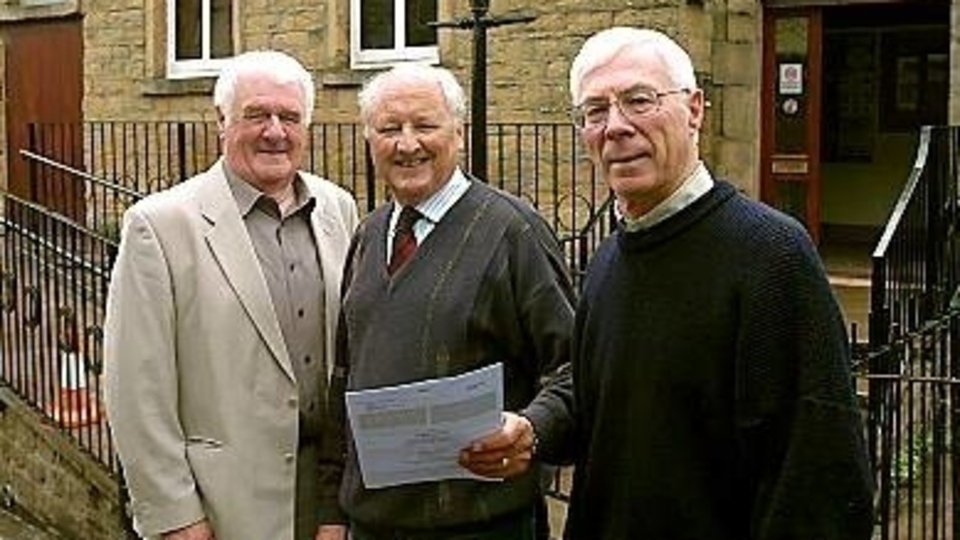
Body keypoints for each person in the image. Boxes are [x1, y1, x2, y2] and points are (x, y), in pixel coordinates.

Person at [461, 27, 875, 539]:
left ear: (695, 109)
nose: (615, 127)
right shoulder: (611, 258)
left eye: (639, 100)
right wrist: (534, 430)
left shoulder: (772, 255)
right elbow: (602, 408)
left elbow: (818, 480)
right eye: (595, 111)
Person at [103, 50, 357, 540]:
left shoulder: (338, 209)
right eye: (257, 115)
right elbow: (137, 390)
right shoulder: (161, 225)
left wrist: (337, 509)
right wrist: (175, 517)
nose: (275, 131)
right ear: (221, 122)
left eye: (289, 117)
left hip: (326, 498)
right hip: (220, 506)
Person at [328, 63, 575, 540]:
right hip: (372, 525)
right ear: (369, 138)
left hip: (482, 525)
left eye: (424, 125)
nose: (407, 143)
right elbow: (345, 377)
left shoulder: (513, 232)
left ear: (458, 134)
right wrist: (332, 512)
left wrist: (530, 426)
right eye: (389, 129)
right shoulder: (369, 233)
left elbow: (574, 369)